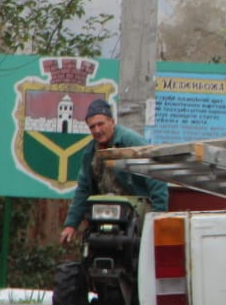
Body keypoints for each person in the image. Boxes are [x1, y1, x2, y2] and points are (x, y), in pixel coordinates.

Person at [59, 98, 169, 244]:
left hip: (134, 214)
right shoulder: (90, 152)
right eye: (92, 127)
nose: (97, 130)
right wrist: (71, 225)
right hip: (104, 214)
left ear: (112, 121)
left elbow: (156, 174)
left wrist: (157, 217)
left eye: (101, 124)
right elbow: (83, 190)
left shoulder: (130, 142)